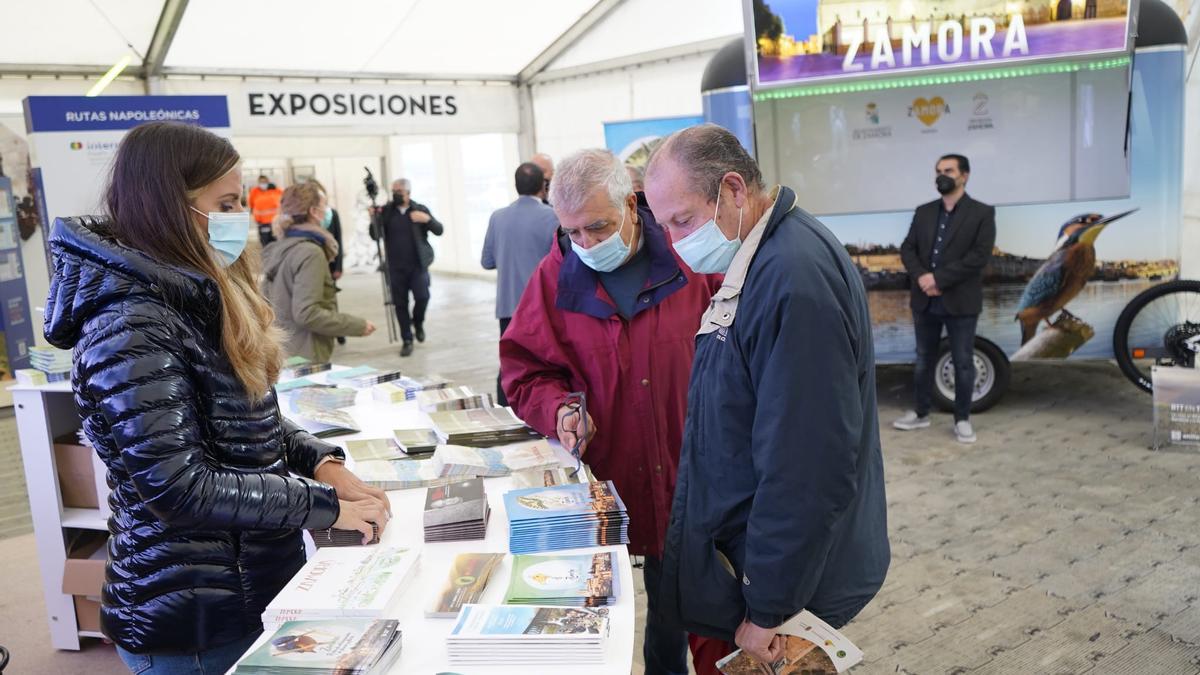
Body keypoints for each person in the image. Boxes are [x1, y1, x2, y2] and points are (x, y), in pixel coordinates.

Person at [42, 122, 390, 675]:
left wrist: (322, 463)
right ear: (170, 208)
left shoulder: (192, 296)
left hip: (245, 591)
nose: (239, 218)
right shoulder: (131, 326)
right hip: (194, 621)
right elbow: (178, 487)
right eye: (225, 202)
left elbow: (243, 419)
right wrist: (322, 507)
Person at [643, 124, 890, 672]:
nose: (677, 242)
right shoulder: (764, 255)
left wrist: (770, 603)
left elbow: (806, 467)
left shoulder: (792, 278)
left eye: (683, 220)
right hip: (774, 563)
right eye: (664, 228)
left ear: (733, 189)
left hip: (794, 585)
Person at [500, 148, 722, 675]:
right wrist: (557, 410)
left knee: (688, 609)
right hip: (608, 481)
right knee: (604, 613)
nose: (586, 244)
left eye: (598, 227)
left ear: (631, 200)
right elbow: (524, 369)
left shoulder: (691, 253)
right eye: (573, 232)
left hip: (693, 473)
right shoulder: (556, 274)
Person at [895, 154, 996, 444]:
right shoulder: (924, 212)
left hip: (960, 301)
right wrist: (923, 278)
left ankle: (962, 419)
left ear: (964, 175)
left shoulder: (982, 213)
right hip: (924, 301)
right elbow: (907, 249)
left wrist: (939, 279)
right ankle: (920, 413)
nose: (942, 175)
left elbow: (978, 257)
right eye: (938, 171)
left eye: (948, 171)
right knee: (924, 359)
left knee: (963, 361)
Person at [262, 181, 375, 362]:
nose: (327, 212)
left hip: (282, 349)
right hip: (306, 353)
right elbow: (307, 313)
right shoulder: (310, 252)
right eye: (324, 206)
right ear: (313, 212)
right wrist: (357, 326)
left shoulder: (277, 248)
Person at [481, 162, 559, 406]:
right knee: (544, 365)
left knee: (509, 364)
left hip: (507, 307)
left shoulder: (497, 217)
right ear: (543, 187)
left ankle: (505, 413)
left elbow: (487, 261)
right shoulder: (553, 216)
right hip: (541, 307)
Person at [372, 178, 443, 357]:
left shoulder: (419, 209)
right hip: (395, 268)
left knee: (423, 297)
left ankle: (418, 322)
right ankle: (407, 339)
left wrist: (427, 219)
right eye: (393, 191)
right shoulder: (386, 212)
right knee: (400, 304)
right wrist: (373, 218)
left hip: (418, 266)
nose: (395, 194)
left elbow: (439, 230)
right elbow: (375, 235)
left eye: (399, 192)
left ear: (408, 193)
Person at [248, 174, 282, 247]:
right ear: (258, 182)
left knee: (272, 241)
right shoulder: (255, 191)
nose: (263, 184)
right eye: (261, 182)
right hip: (265, 222)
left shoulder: (276, 190)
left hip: (271, 221)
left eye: (265, 182)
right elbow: (251, 204)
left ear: (268, 182)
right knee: (269, 241)